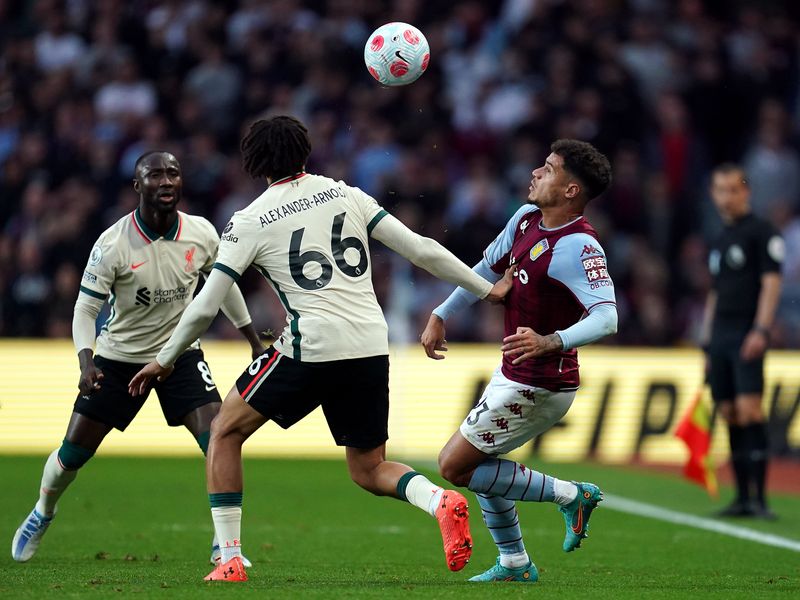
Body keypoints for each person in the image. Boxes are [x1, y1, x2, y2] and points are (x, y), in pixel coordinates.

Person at [128, 116, 513, 582]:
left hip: (312, 344)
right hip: (371, 343)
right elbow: (421, 249)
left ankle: (229, 559)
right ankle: (438, 499)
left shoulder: (249, 220)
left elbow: (206, 304)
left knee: (225, 431)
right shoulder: (345, 193)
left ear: (254, 163)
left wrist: (164, 359)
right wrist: (485, 288)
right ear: (305, 152)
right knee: (369, 468)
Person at [11, 152, 266, 566]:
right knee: (73, 454)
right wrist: (86, 361)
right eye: (155, 175)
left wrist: (252, 337)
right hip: (119, 358)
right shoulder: (113, 243)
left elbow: (225, 286)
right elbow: (85, 310)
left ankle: (225, 544)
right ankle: (42, 511)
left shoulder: (201, 233)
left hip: (179, 354)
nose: (166, 181)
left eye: (173, 173)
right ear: (137, 186)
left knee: (219, 436)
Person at [421, 139, 617, 583]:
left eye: (547, 169)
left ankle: (572, 495)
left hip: (543, 382)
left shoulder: (580, 247)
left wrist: (552, 341)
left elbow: (608, 317)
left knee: (454, 466)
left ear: (570, 191)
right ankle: (513, 562)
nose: (535, 172)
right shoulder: (526, 219)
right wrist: (440, 314)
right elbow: (487, 269)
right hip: (514, 371)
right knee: (483, 463)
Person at [699, 163, 784, 519]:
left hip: (746, 332)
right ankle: (742, 497)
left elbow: (771, 282)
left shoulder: (762, 232)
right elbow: (715, 292)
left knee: (750, 410)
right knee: (730, 412)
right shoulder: (720, 238)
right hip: (720, 336)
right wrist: (705, 341)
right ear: (713, 194)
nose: (727, 197)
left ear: (745, 191)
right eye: (720, 190)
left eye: (734, 189)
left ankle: (761, 499)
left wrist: (761, 329)